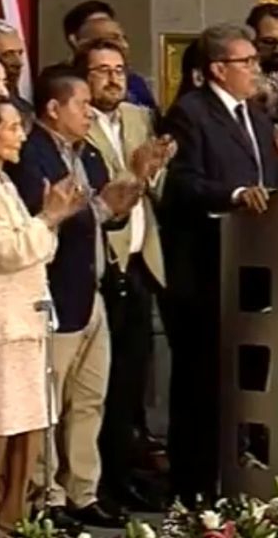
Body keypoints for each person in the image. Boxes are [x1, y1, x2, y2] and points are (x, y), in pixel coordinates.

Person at [7, 66, 144, 529]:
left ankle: (83, 491)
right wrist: (99, 208)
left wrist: (130, 190)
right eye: (81, 105)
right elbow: (43, 215)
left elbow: (100, 213)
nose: (89, 113)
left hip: (92, 288)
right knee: (48, 403)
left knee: (89, 398)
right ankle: (44, 495)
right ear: (53, 108)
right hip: (54, 290)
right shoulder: (32, 155)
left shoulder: (87, 152)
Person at [158, 22, 278, 502]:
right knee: (200, 377)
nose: (255, 69)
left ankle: (239, 473)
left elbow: (271, 180)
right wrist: (234, 194)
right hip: (203, 264)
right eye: (246, 61)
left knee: (245, 376)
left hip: (251, 266)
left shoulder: (257, 117)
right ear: (218, 68)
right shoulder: (190, 114)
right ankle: (193, 484)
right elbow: (182, 183)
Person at [0, 92, 84, 538]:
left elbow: (36, 248)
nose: (21, 136)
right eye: (10, 127)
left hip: (25, 313)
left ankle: (13, 511)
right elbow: (6, 251)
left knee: (30, 418)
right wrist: (48, 218)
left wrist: (49, 220)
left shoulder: (1, 180)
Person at [76, 40, 175, 512]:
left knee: (131, 380)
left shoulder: (139, 117)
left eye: (119, 69)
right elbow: (104, 190)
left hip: (140, 260)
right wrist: (136, 172)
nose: (114, 78)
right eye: (102, 70)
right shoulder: (77, 122)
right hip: (102, 263)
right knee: (100, 385)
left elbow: (156, 185)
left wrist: (153, 171)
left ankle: (125, 474)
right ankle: (95, 482)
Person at [62, 0, 157, 109]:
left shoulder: (135, 83)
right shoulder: (61, 83)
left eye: (122, 37)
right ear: (75, 40)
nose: (123, 45)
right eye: (111, 37)